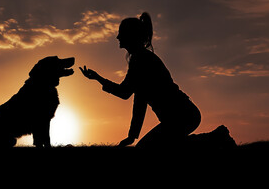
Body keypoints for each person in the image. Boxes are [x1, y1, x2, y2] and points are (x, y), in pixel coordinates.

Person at [79, 12, 201, 148]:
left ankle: (213, 140)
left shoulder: (141, 60)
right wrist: (132, 135)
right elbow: (139, 100)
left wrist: (98, 78)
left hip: (182, 117)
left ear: (129, 35)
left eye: (121, 33)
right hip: (182, 117)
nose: (117, 37)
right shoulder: (140, 59)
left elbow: (124, 93)